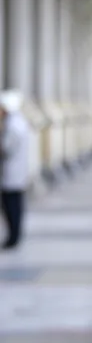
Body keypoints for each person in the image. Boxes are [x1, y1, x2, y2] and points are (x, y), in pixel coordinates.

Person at [0, 90, 30, 249]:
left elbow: (5, 148)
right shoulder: (19, 122)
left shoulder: (12, 125)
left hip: (11, 174)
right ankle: (14, 235)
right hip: (16, 173)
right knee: (15, 206)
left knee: (11, 207)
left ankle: (13, 237)